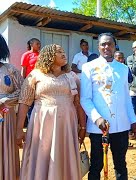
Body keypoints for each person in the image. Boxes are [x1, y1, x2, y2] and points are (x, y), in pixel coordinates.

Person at [16, 44, 86, 180]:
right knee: (42, 155)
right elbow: (24, 102)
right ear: (49, 56)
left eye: (64, 51)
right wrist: (19, 129)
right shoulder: (35, 75)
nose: (64, 54)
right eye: (59, 52)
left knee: (63, 155)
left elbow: (78, 104)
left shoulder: (72, 76)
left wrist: (82, 126)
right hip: (42, 124)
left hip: (66, 124)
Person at [81, 33, 136, 180]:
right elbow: (85, 99)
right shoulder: (89, 67)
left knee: (120, 164)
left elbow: (126, 97)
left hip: (121, 126)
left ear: (114, 46)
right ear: (99, 47)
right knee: (96, 165)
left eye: (109, 44)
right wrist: (97, 118)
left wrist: (132, 120)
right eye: (103, 44)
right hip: (99, 126)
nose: (106, 47)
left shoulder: (123, 69)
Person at [0, 34, 23, 180]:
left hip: (7, 119)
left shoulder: (10, 69)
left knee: (6, 152)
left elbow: (23, 92)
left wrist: (5, 100)